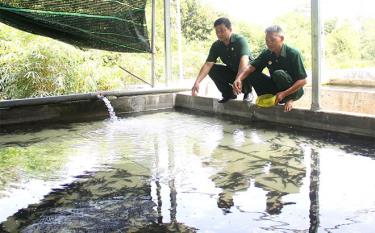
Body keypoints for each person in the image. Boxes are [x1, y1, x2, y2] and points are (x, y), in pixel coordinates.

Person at [233, 25, 307, 112]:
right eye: (267, 41)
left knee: (278, 73)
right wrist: (238, 79)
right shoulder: (267, 53)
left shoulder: (293, 53)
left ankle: (289, 99)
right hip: (276, 86)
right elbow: (250, 67)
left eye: (272, 40)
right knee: (252, 74)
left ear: (282, 39)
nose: (269, 43)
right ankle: (266, 100)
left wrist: (284, 94)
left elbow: (303, 81)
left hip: (294, 91)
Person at [191, 17, 254, 103]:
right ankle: (228, 94)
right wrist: (197, 82)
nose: (219, 34)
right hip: (233, 72)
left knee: (246, 68)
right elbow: (208, 64)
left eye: (222, 31)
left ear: (230, 29)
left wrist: (238, 78)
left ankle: (248, 92)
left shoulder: (240, 40)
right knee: (212, 69)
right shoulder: (216, 46)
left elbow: (244, 61)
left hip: (246, 74)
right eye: (217, 32)